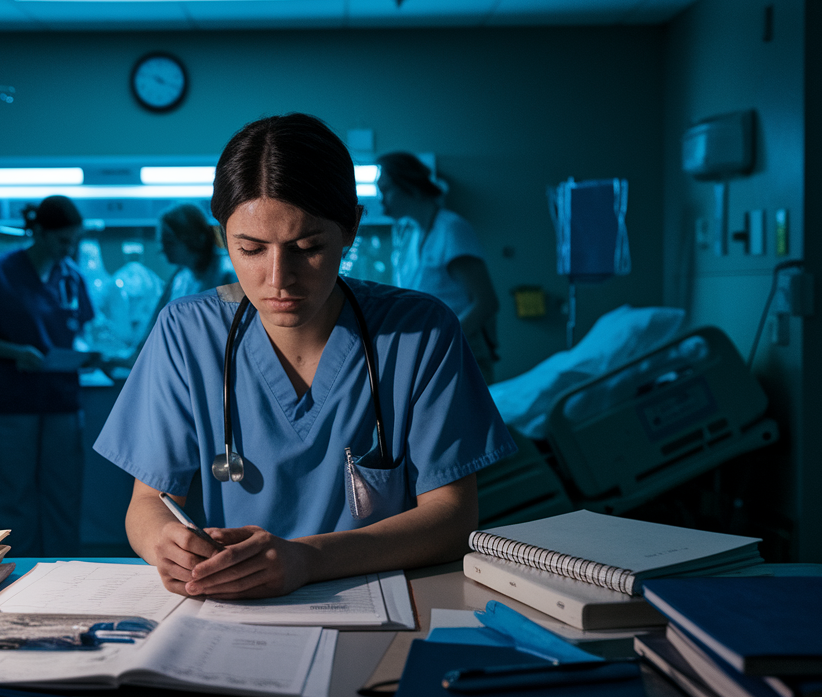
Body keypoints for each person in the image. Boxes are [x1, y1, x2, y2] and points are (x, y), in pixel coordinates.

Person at [94, 114, 516, 599]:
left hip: (376, 605)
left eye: (307, 247)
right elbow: (149, 502)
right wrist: (163, 542)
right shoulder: (185, 332)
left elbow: (452, 516)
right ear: (222, 238)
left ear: (351, 227)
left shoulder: (420, 334)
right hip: (230, 608)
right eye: (250, 249)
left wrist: (308, 559)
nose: (279, 278)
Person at [0, 195, 93, 557]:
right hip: (10, 402)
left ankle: (66, 575)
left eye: (73, 241)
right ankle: (14, 578)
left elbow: (81, 329)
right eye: (61, 240)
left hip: (61, 401)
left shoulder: (71, 277)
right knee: (12, 500)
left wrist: (86, 354)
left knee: (63, 497)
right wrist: (16, 352)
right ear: (37, 231)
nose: (68, 249)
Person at [377, 152, 502, 383]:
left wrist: (442, 341)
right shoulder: (411, 234)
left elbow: (486, 303)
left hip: (460, 351)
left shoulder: (451, 229)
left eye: (386, 190)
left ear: (410, 187)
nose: (381, 200)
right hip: (429, 352)